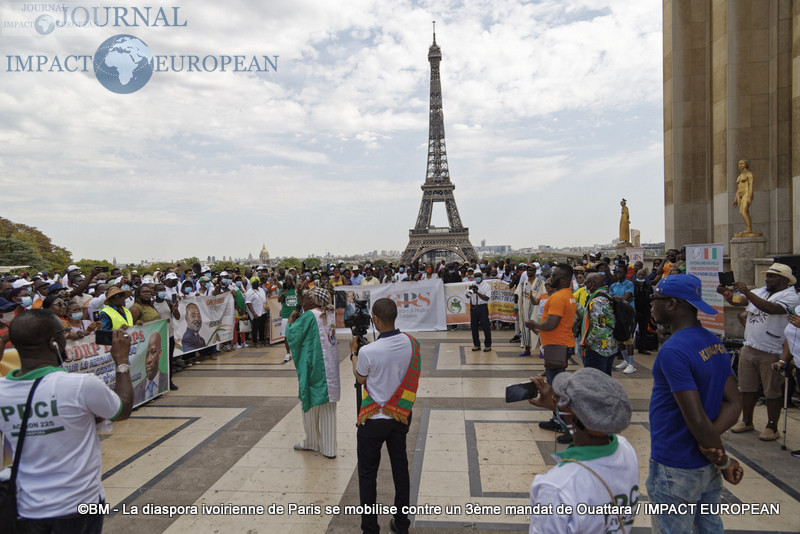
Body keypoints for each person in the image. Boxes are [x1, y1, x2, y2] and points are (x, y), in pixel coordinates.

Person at [0, 310, 133, 531]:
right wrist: (122, 361)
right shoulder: (81, 385)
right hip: (80, 505)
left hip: (27, 508)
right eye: (63, 333)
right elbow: (123, 408)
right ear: (55, 343)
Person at [648, 274, 743, 533]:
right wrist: (713, 449)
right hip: (706, 463)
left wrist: (719, 454)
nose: (651, 305)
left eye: (654, 299)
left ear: (672, 304)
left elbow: (696, 418)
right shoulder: (712, 341)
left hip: (675, 463)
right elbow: (734, 403)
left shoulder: (673, 351)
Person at [528, 368, 638, 534]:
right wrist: (559, 408)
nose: (555, 398)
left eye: (560, 398)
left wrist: (562, 411)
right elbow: (586, 422)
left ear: (570, 414)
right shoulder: (626, 450)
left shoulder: (556, 488)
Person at [350, 298, 420, 534]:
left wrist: (354, 354)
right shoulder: (412, 343)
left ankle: (370, 528)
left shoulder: (368, 351)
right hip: (400, 417)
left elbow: (360, 378)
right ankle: (401, 524)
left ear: (376, 320)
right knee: (400, 469)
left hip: (373, 420)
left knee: (368, 475)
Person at [717, 263, 800, 440]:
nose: (767, 278)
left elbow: (770, 309)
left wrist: (747, 292)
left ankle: (772, 426)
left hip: (772, 349)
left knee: (772, 391)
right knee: (747, 388)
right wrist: (728, 295)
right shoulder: (762, 291)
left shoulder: (791, 296)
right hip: (750, 346)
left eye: (772, 276)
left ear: (784, 279)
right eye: (767, 275)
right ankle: (747, 421)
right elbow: (740, 302)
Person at [285, 286, 340, 459]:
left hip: (314, 367)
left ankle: (312, 442)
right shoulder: (328, 313)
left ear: (314, 300)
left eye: (308, 296)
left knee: (310, 404)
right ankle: (329, 448)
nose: (305, 299)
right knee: (328, 408)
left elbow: (293, 335)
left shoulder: (310, 315)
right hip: (330, 368)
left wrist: (290, 321)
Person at [526, 264, 578, 444]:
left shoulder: (557, 298)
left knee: (557, 390)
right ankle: (558, 420)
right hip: (561, 344)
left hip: (556, 346)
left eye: (554, 275)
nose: (550, 278)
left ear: (563, 278)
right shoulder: (568, 296)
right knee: (557, 386)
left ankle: (569, 428)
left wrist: (534, 325)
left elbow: (551, 324)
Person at [577, 273, 618, 376]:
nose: (585, 285)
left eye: (586, 283)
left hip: (597, 348)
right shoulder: (606, 297)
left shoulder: (596, 301)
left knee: (595, 382)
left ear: (592, 284)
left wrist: (587, 341)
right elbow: (588, 315)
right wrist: (575, 305)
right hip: (610, 346)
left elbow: (600, 326)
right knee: (605, 379)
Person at [610, 265, 637, 374]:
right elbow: (611, 297)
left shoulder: (629, 284)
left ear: (625, 273)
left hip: (627, 314)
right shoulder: (613, 285)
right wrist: (619, 298)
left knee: (628, 339)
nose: (618, 274)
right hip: (617, 313)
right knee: (619, 338)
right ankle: (626, 360)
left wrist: (615, 298)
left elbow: (626, 298)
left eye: (621, 272)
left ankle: (632, 364)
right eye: (617, 272)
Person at [133, 331, 169, 404]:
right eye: (145, 355)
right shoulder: (136, 390)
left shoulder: (165, 380)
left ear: (159, 353)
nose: (148, 360)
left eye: (153, 352)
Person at [466, 270, 492, 352]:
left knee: (485, 327)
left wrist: (477, 292)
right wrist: (469, 291)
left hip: (482, 308)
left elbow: (487, 298)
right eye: (475, 276)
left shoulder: (486, 286)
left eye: (478, 276)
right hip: (473, 308)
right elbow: (467, 296)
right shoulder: (471, 284)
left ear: (481, 276)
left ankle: (488, 345)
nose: (477, 277)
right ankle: (476, 345)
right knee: (474, 327)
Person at [733, 159, 756, 236]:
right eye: (739, 164)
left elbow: (751, 186)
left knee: (743, 212)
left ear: (746, 164)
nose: (740, 165)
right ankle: (748, 228)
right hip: (740, 195)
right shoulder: (739, 176)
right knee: (745, 212)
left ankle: (749, 229)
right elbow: (738, 187)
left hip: (746, 194)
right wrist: (736, 198)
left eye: (742, 164)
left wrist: (750, 196)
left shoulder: (749, 174)